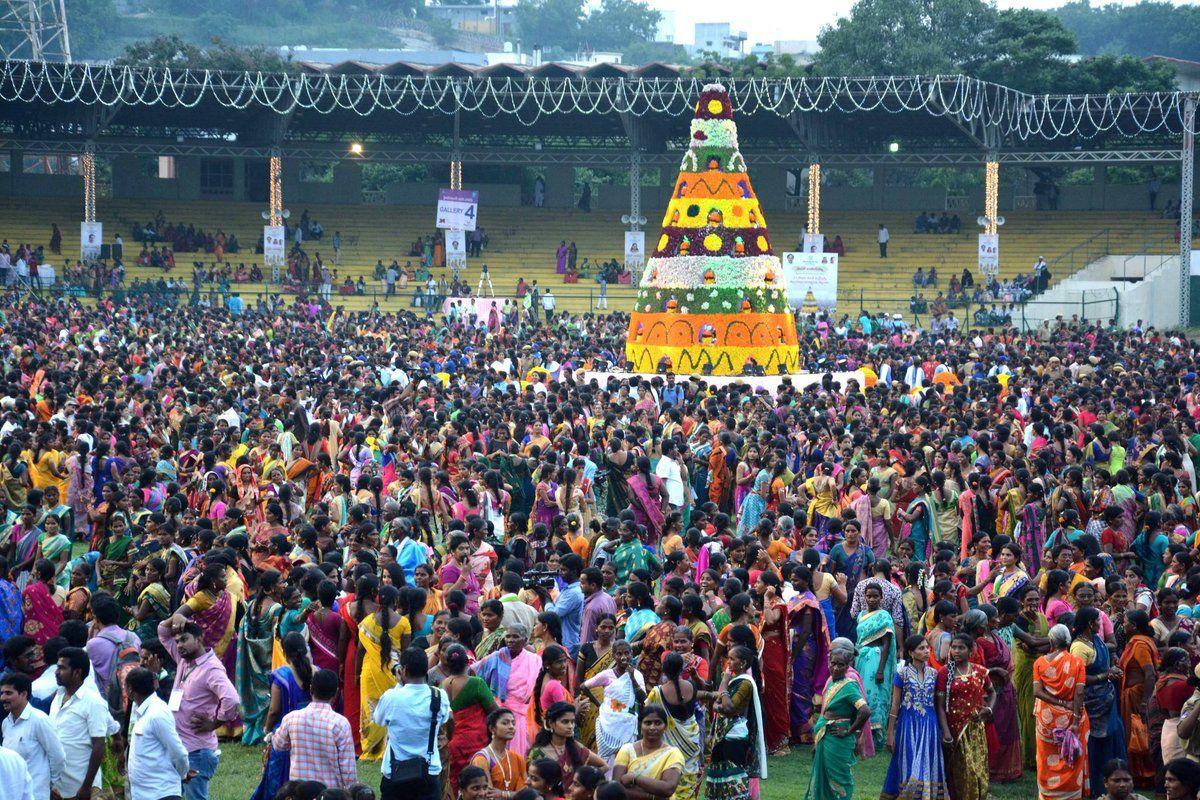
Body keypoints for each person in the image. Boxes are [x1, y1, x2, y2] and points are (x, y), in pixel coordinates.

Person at [157, 618, 240, 800]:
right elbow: (163, 630)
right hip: (181, 748)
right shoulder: (184, 660)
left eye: (184, 639)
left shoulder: (211, 668)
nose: (179, 645)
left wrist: (214, 723)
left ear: (200, 638)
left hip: (197, 751)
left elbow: (232, 699)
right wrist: (178, 616)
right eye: (177, 641)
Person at [374, 647, 451, 800]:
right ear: (426, 668)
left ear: (403, 670)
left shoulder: (392, 696)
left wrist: (399, 684)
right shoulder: (439, 695)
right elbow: (444, 719)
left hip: (394, 772)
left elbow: (378, 720)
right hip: (429, 772)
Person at [882, 635, 948, 800]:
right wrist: (890, 733)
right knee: (909, 763)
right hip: (907, 724)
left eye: (927, 648)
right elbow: (895, 704)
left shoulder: (934, 674)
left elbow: (938, 702)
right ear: (911, 653)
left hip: (930, 725)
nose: (926, 651)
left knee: (926, 763)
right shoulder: (902, 673)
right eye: (921, 648)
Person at [49, 646, 117, 800]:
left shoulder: (92, 701)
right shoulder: (58, 697)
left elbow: (99, 745)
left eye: (62, 668)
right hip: (59, 787)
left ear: (77, 672)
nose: (56, 672)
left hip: (81, 786)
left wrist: (86, 786)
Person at [272, 668, 357, 790]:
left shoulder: (292, 718)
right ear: (336, 693)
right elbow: (348, 769)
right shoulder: (340, 724)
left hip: (299, 792)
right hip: (329, 794)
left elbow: (278, 745)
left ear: (311, 689)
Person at [805, 647, 870, 800]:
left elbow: (865, 711)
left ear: (848, 665)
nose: (835, 668)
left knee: (838, 778)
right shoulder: (833, 682)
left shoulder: (849, 685)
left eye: (840, 665)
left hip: (838, 737)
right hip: (825, 735)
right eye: (833, 663)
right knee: (824, 776)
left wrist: (849, 731)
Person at [1033, 624, 1089, 800]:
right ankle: (1071, 794)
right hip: (1072, 717)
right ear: (1068, 641)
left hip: (1046, 720)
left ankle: (1048, 793)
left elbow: (1037, 692)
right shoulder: (1077, 662)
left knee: (1046, 756)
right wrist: (1074, 720)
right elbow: (1079, 692)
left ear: (1050, 641)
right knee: (1071, 755)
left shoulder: (1039, 663)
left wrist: (1058, 702)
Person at [936, 633, 994, 800]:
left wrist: (988, 710)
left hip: (975, 730)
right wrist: (945, 732)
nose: (956, 651)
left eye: (961, 648)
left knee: (978, 770)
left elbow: (991, 693)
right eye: (954, 647)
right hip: (954, 730)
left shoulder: (980, 671)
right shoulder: (944, 673)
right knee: (961, 771)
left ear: (970, 651)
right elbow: (939, 706)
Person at [125, 666, 190, 800]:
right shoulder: (141, 709)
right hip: (143, 794)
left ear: (130, 690)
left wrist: (183, 775)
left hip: (161, 793)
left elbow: (179, 753)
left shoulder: (157, 713)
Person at [0, 672, 64, 800]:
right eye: (1, 693)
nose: (2, 698)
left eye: (8, 693)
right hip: (15, 793)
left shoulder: (39, 720)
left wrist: (51, 784)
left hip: (37, 793)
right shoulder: (6, 723)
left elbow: (58, 756)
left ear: (23, 694)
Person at [611, 706, 684, 800]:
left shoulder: (672, 753)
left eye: (658, 723)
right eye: (648, 723)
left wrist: (634, 778)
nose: (652, 727)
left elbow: (668, 789)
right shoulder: (627, 749)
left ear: (665, 726)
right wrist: (654, 797)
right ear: (640, 725)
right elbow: (616, 788)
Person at [469, 707, 526, 796]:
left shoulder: (517, 759)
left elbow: (526, 794)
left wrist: (502, 794)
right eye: (505, 723)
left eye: (513, 723)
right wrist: (514, 795)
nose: (511, 727)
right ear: (492, 729)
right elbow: (487, 795)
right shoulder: (481, 759)